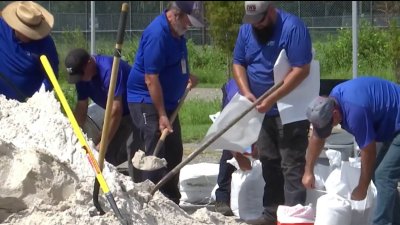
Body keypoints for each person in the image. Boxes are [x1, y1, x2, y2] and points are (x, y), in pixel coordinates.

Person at [232, 1, 313, 224]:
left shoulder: (293, 28)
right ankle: (271, 215)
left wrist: (271, 99)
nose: (256, 25)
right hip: (262, 113)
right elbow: (238, 62)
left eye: (260, 19)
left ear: (271, 10)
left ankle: (294, 218)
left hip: (291, 112)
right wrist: (246, 91)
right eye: (252, 21)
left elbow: (301, 70)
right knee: (269, 163)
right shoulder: (246, 30)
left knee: (292, 166)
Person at [126, 1, 203, 204]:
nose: (190, 26)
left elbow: (171, 64)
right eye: (188, 21)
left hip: (167, 102)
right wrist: (161, 114)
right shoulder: (157, 34)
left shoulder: (177, 34)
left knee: (174, 149)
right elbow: (150, 78)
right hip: (146, 99)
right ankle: (150, 198)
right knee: (154, 147)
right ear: (175, 15)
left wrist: (186, 75)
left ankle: (169, 198)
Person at [303, 76, 400, 225]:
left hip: (396, 123)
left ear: (335, 115)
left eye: (328, 127)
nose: (326, 132)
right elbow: (317, 137)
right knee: (376, 175)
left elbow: (369, 151)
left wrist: (362, 187)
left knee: (384, 175)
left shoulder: (355, 112)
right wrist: (308, 171)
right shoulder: (331, 103)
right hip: (391, 122)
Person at [64, 48, 133, 167]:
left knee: (124, 151)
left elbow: (116, 110)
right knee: (107, 155)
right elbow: (81, 108)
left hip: (135, 110)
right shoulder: (81, 78)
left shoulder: (110, 70)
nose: (79, 79)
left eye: (81, 74)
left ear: (89, 62)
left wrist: (103, 144)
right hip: (115, 112)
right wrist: (72, 134)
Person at [0, 1, 59, 102]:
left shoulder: (45, 44)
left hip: (26, 107)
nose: (29, 35)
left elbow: (51, 77)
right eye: (26, 30)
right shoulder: (2, 28)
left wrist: (38, 97)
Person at [214, 78, 254, 216]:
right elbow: (227, 128)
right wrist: (238, 155)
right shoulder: (237, 94)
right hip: (238, 103)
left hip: (264, 104)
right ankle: (222, 198)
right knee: (229, 153)